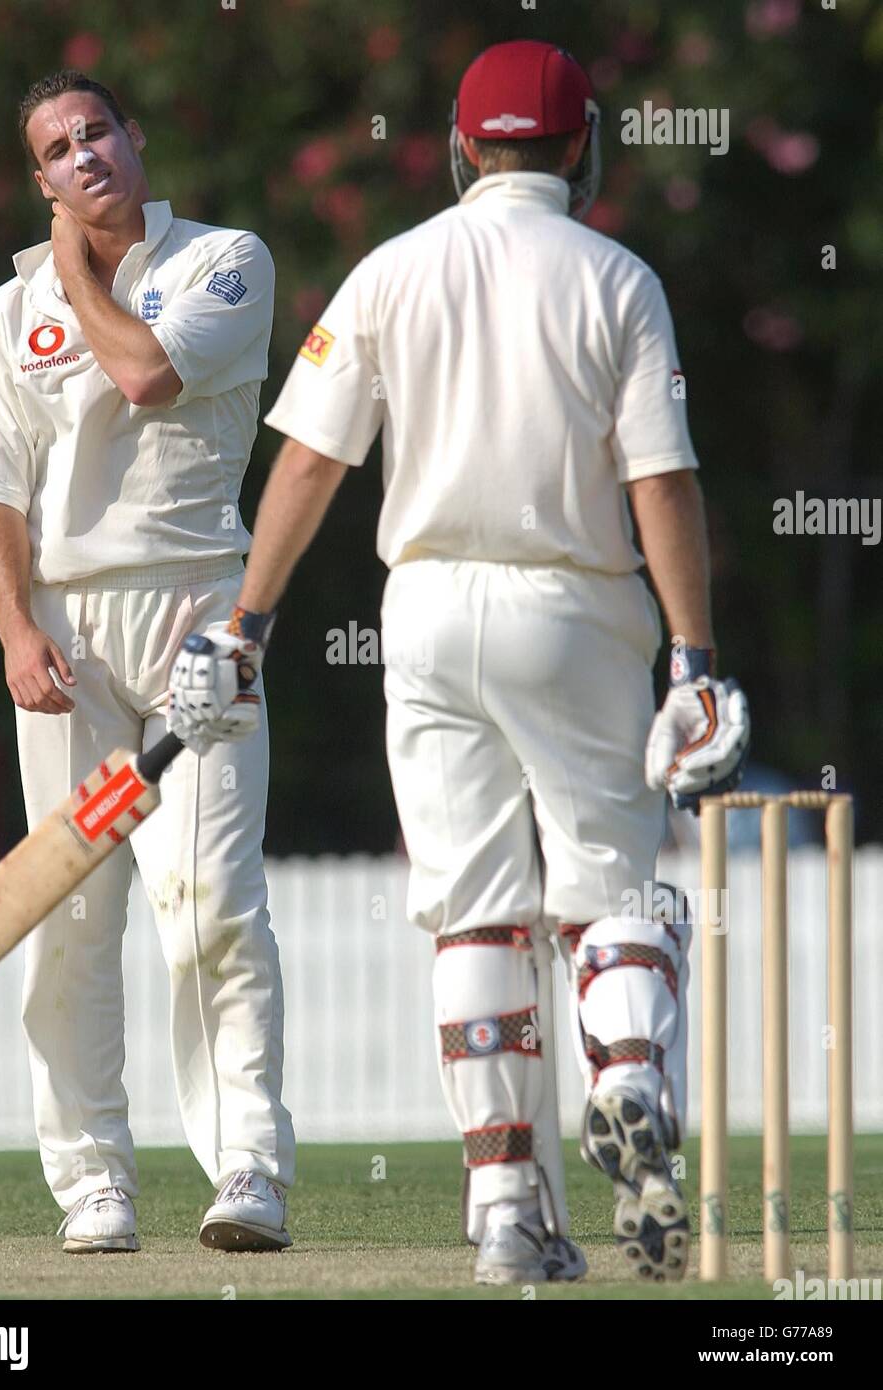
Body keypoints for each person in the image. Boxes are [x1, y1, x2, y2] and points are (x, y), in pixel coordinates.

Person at [169, 40, 749, 1285]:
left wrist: (247, 626)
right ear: (581, 148)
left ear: (458, 144)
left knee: (471, 906)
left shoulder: (390, 270)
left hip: (424, 612)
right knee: (607, 889)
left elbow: (313, 462)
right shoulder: (619, 278)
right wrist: (694, 658)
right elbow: (663, 479)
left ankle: (503, 1209)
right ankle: (631, 1071)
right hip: (577, 610)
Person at [0, 70, 294, 1254]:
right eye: (56, 147)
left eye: (96, 130)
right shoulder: (9, 313)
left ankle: (247, 1168)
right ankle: (93, 1180)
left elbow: (146, 372)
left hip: (203, 625)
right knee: (71, 916)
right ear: (40, 177)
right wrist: (13, 631)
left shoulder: (223, 261)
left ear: (134, 137)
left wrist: (72, 269)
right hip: (71, 649)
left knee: (208, 907)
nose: (83, 153)